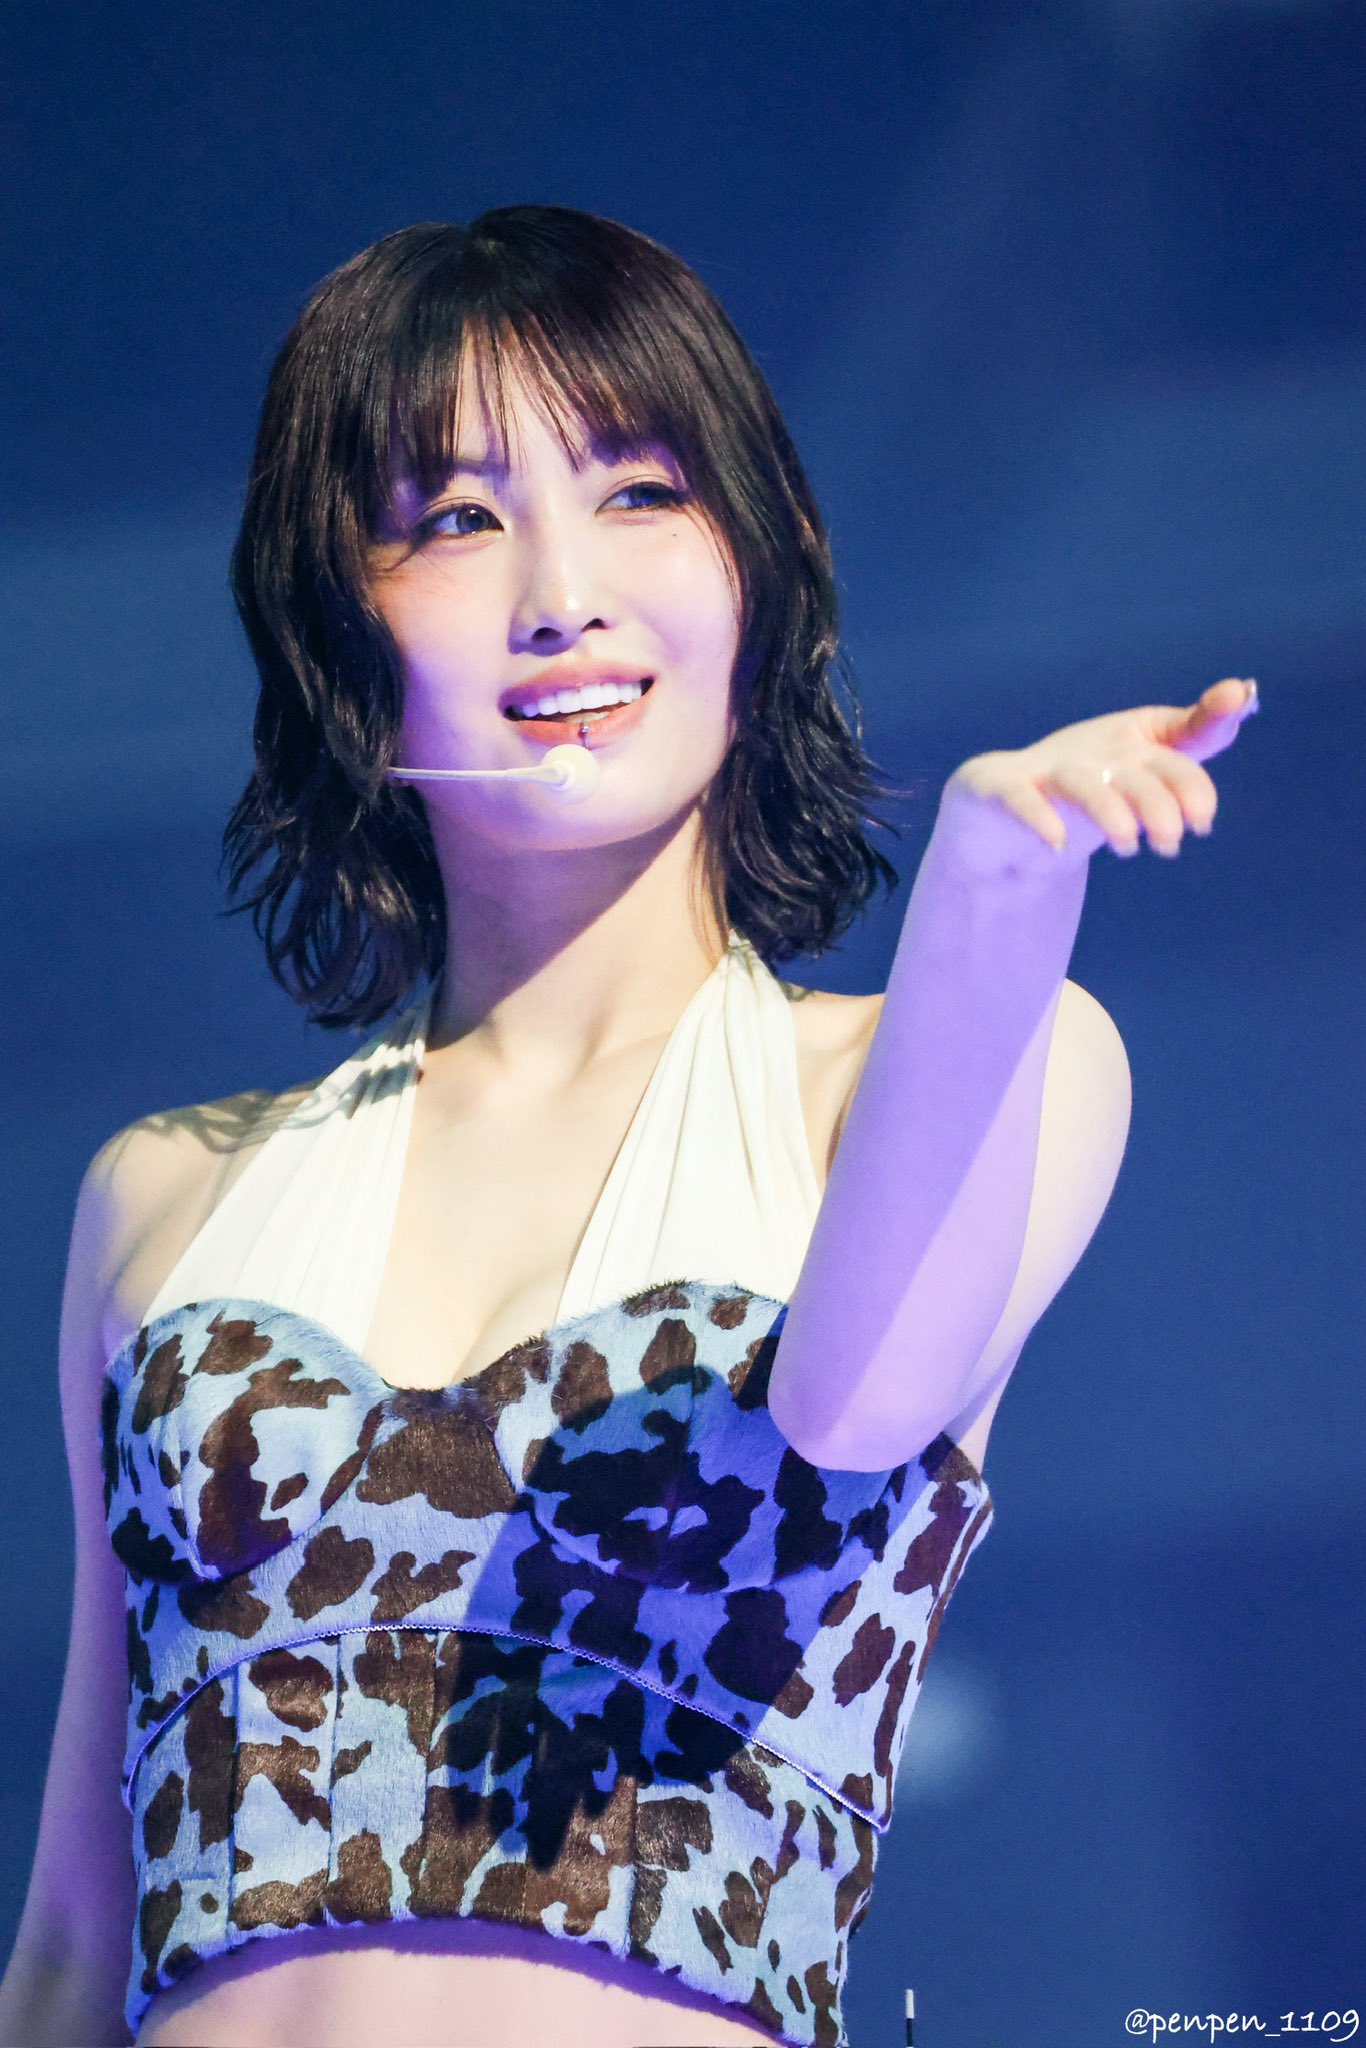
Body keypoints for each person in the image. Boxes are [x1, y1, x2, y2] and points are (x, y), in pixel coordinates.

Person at [0, 205, 1258, 2048]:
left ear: (765, 558)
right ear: (334, 614)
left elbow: (855, 1404)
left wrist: (997, 887)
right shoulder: (163, 1199)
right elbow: (68, 1942)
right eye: (456, 517)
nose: (559, 592)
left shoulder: (944, 1070)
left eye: (640, 492)